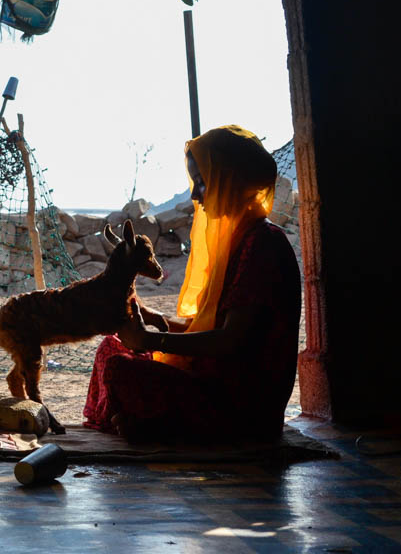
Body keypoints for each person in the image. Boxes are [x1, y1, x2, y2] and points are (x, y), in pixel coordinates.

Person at [83, 125, 302, 443]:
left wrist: (151, 341)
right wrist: (161, 322)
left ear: (231, 179)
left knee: (121, 369)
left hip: (243, 402)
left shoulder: (262, 243)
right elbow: (215, 324)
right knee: (110, 349)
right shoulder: (239, 237)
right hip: (216, 380)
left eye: (202, 182)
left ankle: (153, 425)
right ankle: (143, 423)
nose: (195, 195)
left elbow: (230, 341)